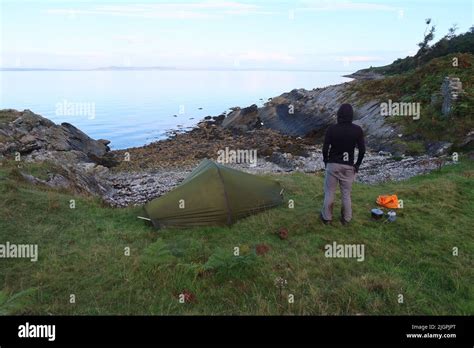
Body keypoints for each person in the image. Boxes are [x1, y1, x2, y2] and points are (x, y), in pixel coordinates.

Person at [320, 103, 365, 225]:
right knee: (346, 194)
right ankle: (346, 219)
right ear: (351, 115)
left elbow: (325, 148)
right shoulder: (357, 130)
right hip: (348, 166)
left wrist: (326, 161)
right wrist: (357, 165)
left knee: (329, 192)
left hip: (333, 165)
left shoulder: (331, 129)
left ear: (339, 114)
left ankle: (327, 218)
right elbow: (362, 150)